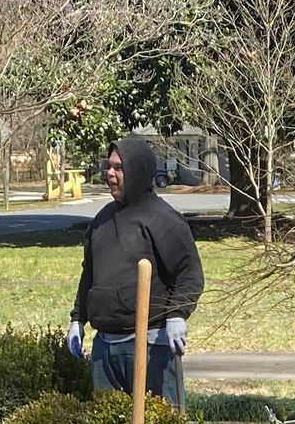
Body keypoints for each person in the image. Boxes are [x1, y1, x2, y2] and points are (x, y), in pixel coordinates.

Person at [67, 134, 204, 407]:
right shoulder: (101, 220)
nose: (110, 174)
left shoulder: (163, 219)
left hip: (151, 345)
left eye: (119, 168)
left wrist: (177, 315)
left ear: (137, 171)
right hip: (105, 348)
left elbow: (189, 272)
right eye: (109, 166)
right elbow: (89, 275)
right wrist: (77, 320)